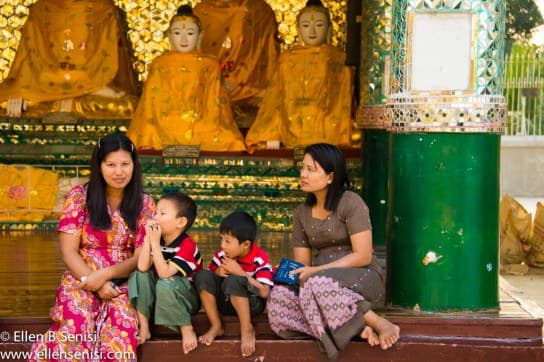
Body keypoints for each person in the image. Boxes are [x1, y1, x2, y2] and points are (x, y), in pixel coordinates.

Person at [266, 143, 400, 361]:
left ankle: (376, 321)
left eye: (311, 169)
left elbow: (363, 255)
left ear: (330, 177)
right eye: (302, 168)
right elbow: (302, 267)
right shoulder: (301, 213)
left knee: (317, 283)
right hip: (319, 285)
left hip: (361, 275)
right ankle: (355, 326)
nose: (303, 174)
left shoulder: (351, 202)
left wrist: (317, 271)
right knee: (278, 300)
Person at [29, 133, 156, 361]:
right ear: (99, 166)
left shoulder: (145, 203)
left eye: (125, 164)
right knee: (75, 325)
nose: (119, 172)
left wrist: (106, 275)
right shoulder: (79, 197)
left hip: (125, 282)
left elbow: (140, 257)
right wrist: (93, 282)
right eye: (111, 165)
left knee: (120, 329)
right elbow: (68, 251)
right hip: (81, 277)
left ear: (134, 166)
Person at [126, 5, 246, 152]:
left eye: (190, 33)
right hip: (167, 121)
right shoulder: (160, 63)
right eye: (177, 33)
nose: (183, 39)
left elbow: (215, 102)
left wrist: (206, 122)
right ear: (169, 36)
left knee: (225, 137)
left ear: (200, 36)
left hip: (200, 122)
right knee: (150, 129)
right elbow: (151, 104)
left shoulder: (210, 64)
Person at [245, 0, 357, 151]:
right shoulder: (287, 59)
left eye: (319, 25)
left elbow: (343, 101)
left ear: (329, 29)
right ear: (298, 29)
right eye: (305, 26)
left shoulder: (338, 59)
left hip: (329, 128)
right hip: (292, 126)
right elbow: (275, 100)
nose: (312, 31)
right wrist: (271, 134)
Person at [0, 0, 139, 119]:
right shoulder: (40, 9)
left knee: (128, 107)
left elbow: (108, 66)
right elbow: (27, 65)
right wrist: (19, 91)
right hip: (45, 90)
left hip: (90, 89)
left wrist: (98, 87)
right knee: (7, 104)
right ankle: (70, 101)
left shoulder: (104, 8)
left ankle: (70, 101)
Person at [128, 191, 202, 354]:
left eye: (162, 213)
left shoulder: (187, 245)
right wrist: (149, 240)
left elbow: (165, 274)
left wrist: (154, 242)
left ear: (181, 222)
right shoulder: (158, 240)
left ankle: (185, 326)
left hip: (186, 299)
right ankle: (145, 327)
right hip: (162, 294)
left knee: (165, 282)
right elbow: (142, 267)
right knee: (138, 275)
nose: (155, 217)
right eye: (156, 212)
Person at [193, 211, 274, 358]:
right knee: (203, 275)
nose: (222, 245)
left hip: (250, 305)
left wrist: (241, 273)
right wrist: (218, 272)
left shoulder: (259, 258)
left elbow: (264, 292)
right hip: (225, 302)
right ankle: (216, 325)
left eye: (228, 241)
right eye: (222, 239)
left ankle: (247, 328)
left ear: (245, 244)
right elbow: (209, 280)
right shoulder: (221, 255)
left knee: (235, 280)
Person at [193, 0, 279, 123]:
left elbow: (270, 60)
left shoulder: (260, 10)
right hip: (211, 90)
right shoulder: (201, 11)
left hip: (251, 90)